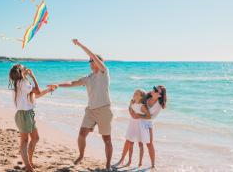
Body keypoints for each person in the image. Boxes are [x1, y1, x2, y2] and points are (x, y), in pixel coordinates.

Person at [48, 39, 113, 170]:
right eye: (89, 61)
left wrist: (80, 45)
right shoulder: (88, 77)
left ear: (98, 62)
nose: (90, 63)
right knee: (81, 135)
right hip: (90, 111)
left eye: (92, 60)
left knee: (106, 139)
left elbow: (94, 56)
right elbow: (72, 83)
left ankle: (108, 165)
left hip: (104, 110)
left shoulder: (103, 72)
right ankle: (81, 156)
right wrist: (58, 85)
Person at [9, 64, 57, 172]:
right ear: (21, 72)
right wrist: (33, 75)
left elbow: (35, 95)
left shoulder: (21, 84)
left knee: (35, 138)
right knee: (24, 141)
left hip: (28, 114)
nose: (26, 68)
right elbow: (37, 91)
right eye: (24, 68)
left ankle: (29, 162)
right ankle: (28, 167)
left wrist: (49, 90)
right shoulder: (23, 83)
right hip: (24, 115)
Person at [129, 85, 167, 169]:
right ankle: (135, 163)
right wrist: (131, 111)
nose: (153, 90)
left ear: (160, 95)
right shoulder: (147, 96)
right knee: (136, 142)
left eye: (156, 90)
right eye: (154, 88)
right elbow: (136, 101)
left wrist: (139, 116)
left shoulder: (159, 105)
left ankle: (153, 165)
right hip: (138, 122)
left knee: (149, 144)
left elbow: (151, 117)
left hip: (147, 124)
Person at [115, 89, 151, 168]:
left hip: (140, 126)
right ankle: (129, 161)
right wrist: (131, 106)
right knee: (130, 143)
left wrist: (139, 116)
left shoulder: (142, 106)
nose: (134, 94)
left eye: (136, 94)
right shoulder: (132, 103)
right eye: (134, 93)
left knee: (140, 144)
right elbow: (131, 113)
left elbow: (148, 116)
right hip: (132, 125)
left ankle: (140, 162)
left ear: (141, 97)